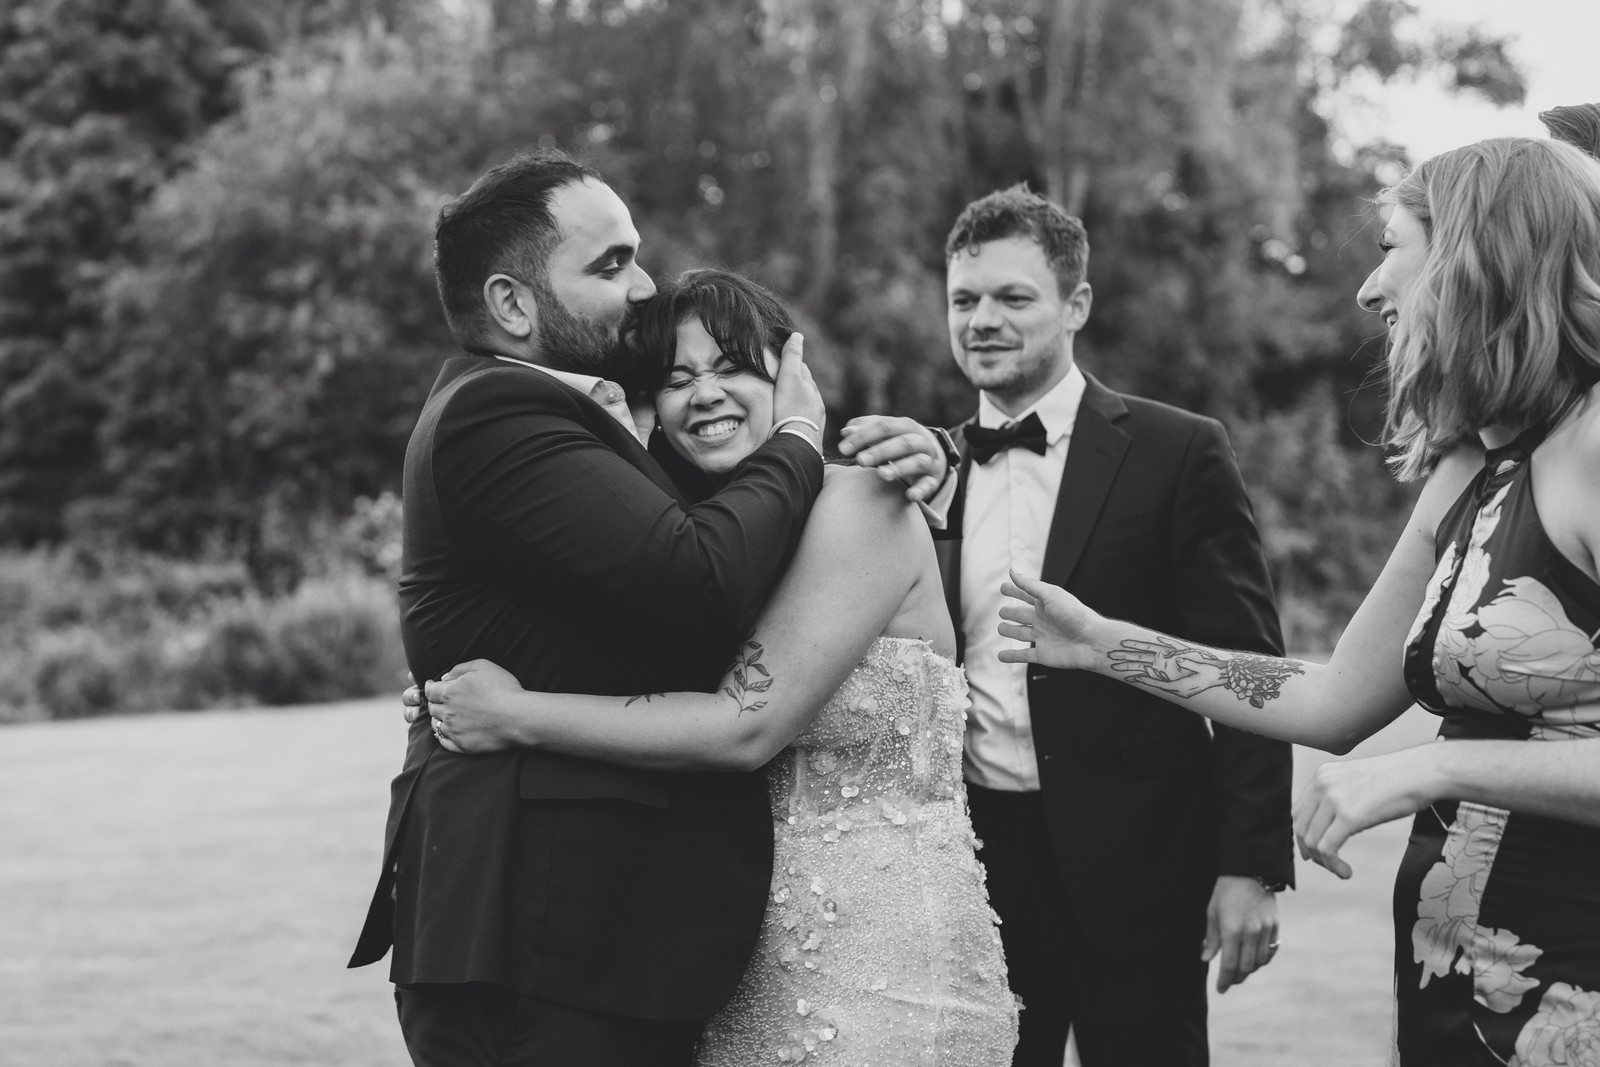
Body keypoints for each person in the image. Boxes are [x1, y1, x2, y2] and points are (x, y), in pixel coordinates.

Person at [997, 137, 1600, 1065]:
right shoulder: (1467, 470)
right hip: (1453, 983)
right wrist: (1105, 644)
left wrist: (1433, 769)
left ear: (1478, 256)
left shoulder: (1594, 447)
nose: (1366, 288)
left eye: (1391, 247)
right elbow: (1330, 701)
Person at [347, 149, 946, 1067]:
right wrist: (797, 434)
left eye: (734, 366)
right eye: (611, 264)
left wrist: (938, 460)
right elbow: (696, 577)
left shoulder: (797, 502)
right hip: (543, 937)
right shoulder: (499, 410)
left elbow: (668, 602)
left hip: (675, 943)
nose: (642, 287)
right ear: (512, 304)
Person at [415, 268, 1019, 1065]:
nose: (704, 394)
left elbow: (745, 725)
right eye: (677, 379)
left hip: (882, 963)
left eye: (732, 366)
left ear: (791, 375)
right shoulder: (696, 552)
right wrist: (453, 690)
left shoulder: (862, 504)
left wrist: (515, 713)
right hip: (732, 963)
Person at [841, 185, 1296, 1067]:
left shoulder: (1179, 451)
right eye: (964, 300)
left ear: (1076, 304)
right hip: (976, 869)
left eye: (1013, 297)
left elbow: (1247, 663)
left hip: (1141, 861)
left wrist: (1250, 864)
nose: (982, 320)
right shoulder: (922, 469)